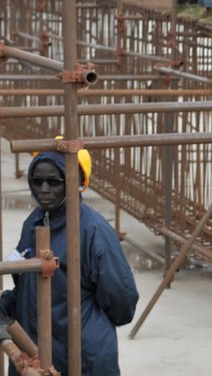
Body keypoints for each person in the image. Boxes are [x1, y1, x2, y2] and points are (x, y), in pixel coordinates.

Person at [0, 149, 139, 375]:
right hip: (37, 346)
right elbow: (24, 283)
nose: (44, 190)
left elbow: (121, 301)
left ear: (73, 182)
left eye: (53, 182)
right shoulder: (34, 221)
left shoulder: (93, 230)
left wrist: (80, 318)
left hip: (82, 353)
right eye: (37, 181)